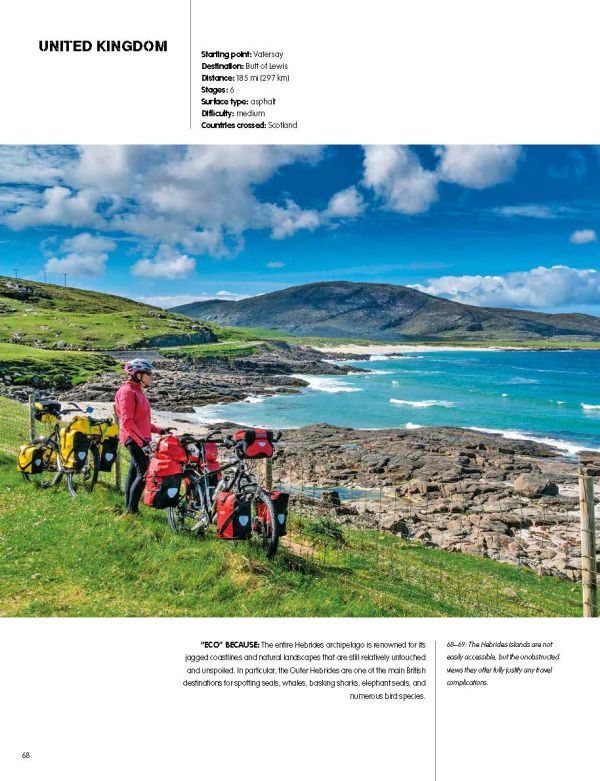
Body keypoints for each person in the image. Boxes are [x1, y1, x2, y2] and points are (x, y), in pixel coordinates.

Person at [114, 359, 170, 515]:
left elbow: (142, 421)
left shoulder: (137, 391)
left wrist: (160, 430)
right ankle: (132, 511)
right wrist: (142, 443)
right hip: (134, 439)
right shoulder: (127, 392)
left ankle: (128, 508)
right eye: (148, 374)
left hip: (140, 438)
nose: (151, 377)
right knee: (144, 473)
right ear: (138, 374)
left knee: (133, 472)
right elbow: (127, 422)